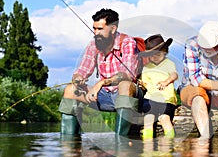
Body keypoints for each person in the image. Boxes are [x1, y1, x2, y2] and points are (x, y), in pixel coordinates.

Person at [58, 8, 143, 136]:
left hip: (130, 95)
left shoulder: (127, 42)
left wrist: (102, 83)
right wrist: (77, 78)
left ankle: (120, 142)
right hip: (103, 95)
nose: (96, 32)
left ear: (113, 28)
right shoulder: (94, 45)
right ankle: (69, 144)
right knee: (70, 90)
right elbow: (82, 70)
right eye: (94, 28)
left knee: (124, 85)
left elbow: (128, 75)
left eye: (100, 29)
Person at [139, 34, 178, 139]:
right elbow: (145, 85)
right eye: (152, 55)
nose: (155, 57)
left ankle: (169, 143)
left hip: (166, 100)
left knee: (164, 118)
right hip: (150, 99)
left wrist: (166, 81)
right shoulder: (146, 68)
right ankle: (147, 146)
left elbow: (174, 75)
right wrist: (142, 84)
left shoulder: (169, 63)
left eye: (158, 54)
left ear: (165, 51)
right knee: (148, 119)